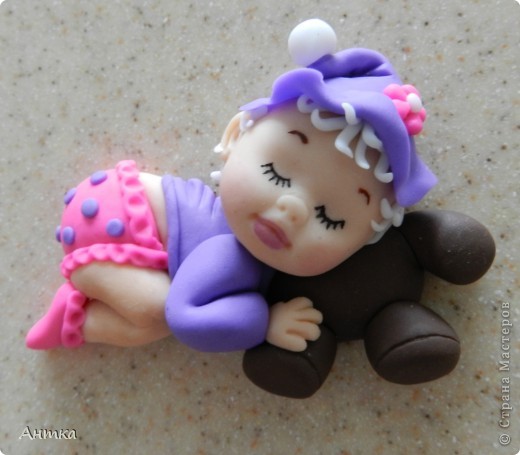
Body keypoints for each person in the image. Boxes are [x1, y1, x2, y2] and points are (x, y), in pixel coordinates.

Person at [26, 19, 436, 353]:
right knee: (154, 314)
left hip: (117, 207)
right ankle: (74, 321)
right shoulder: (228, 253)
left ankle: (77, 306)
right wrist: (266, 323)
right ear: (235, 134)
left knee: (153, 313)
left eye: (330, 218)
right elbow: (186, 317)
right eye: (275, 173)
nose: (292, 209)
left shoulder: (246, 257)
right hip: (111, 220)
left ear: (363, 244)